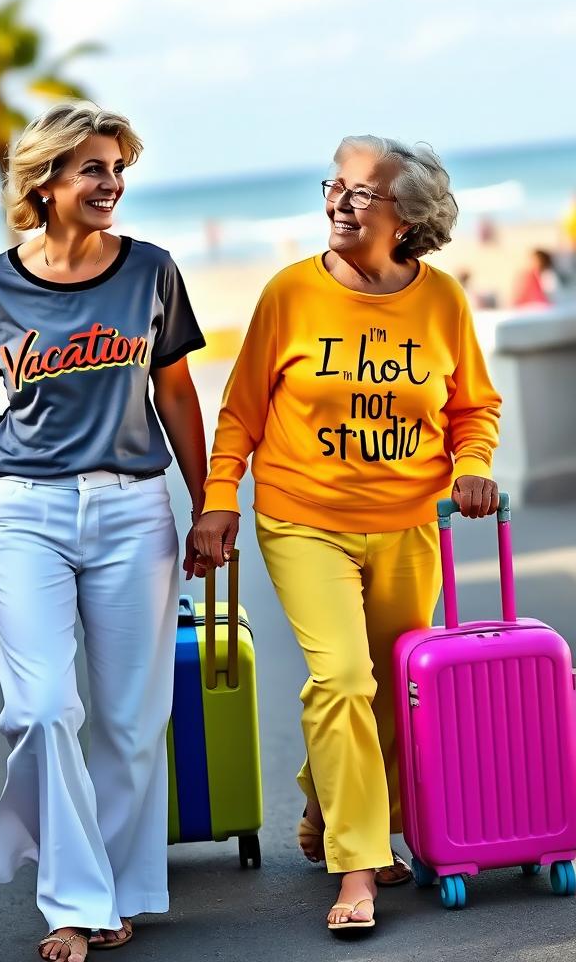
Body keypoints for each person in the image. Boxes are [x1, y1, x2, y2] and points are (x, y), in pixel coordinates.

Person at [195, 136, 501, 934]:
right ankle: (358, 865)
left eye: (363, 191)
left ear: (408, 216)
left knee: (392, 694)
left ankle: (323, 795)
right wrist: (220, 497)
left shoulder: (440, 302)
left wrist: (472, 463)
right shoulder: (289, 294)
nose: (340, 201)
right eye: (335, 184)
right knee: (341, 680)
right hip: (303, 519)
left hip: (408, 521)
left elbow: (474, 407)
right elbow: (240, 411)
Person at [0, 103, 208, 962]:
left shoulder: (152, 271)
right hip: (24, 512)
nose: (111, 184)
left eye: (118, 168)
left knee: (130, 719)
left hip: (133, 508)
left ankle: (112, 893)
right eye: (92, 168)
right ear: (43, 182)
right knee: (42, 706)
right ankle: (72, 900)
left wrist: (211, 504)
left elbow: (177, 396)